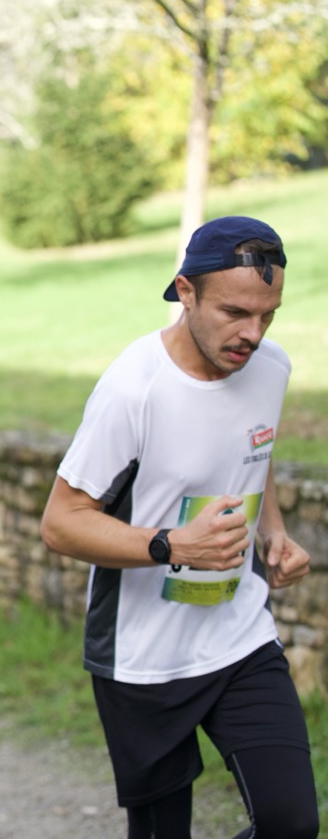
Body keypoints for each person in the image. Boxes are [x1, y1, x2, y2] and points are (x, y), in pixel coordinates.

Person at [39, 216, 317, 839]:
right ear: (185, 291)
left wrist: (272, 532)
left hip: (239, 635)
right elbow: (60, 525)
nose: (252, 334)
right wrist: (170, 545)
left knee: (292, 823)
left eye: (267, 315)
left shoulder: (270, 367)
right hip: (142, 656)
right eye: (235, 313)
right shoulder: (133, 390)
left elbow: (255, 447)